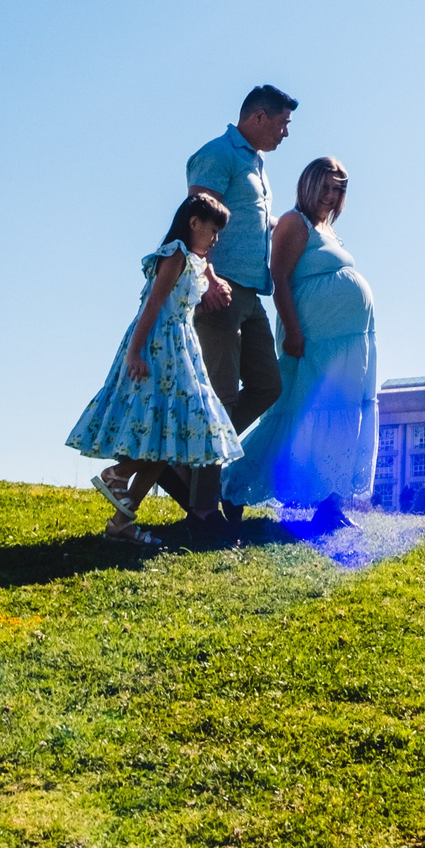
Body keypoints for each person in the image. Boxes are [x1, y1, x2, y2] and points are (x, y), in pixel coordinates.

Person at [65, 193, 244, 545]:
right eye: (212, 230)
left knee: (169, 440)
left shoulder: (191, 260)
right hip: (159, 347)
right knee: (163, 432)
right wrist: (135, 353)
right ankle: (117, 472)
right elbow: (153, 305)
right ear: (193, 223)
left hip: (181, 347)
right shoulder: (176, 253)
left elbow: (181, 305)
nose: (215, 238)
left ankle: (122, 523)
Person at [221, 156, 381, 527]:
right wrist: (293, 331)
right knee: (297, 415)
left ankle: (330, 508)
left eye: (337, 189)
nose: (330, 195)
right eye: (324, 187)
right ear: (308, 185)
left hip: (349, 342)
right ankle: (232, 484)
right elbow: (279, 277)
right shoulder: (296, 223)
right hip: (313, 339)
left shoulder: (327, 229)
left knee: (343, 414)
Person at [178, 83, 297, 527]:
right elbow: (196, 222)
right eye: (283, 123)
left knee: (268, 385)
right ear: (260, 117)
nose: (286, 133)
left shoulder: (257, 164)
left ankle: (194, 466)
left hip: (251, 293)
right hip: (219, 291)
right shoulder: (219, 153)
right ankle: (203, 507)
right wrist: (207, 279)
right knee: (223, 396)